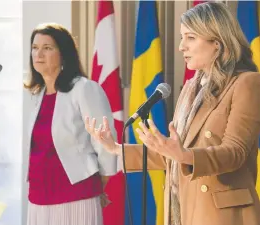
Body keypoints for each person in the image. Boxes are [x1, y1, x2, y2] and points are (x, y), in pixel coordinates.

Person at [85, 2, 260, 225]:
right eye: (181, 37)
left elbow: (235, 153)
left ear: (217, 43)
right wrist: (115, 148)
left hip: (222, 216)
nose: (181, 47)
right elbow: (173, 156)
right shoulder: (191, 89)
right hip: (183, 211)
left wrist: (184, 155)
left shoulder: (247, 83)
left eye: (190, 37)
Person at [23, 23, 117, 225]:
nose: (38, 53)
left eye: (47, 48)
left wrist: (101, 182)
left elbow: (105, 140)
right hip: (38, 196)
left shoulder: (84, 88)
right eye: (35, 48)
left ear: (63, 53)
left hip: (76, 194)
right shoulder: (38, 94)